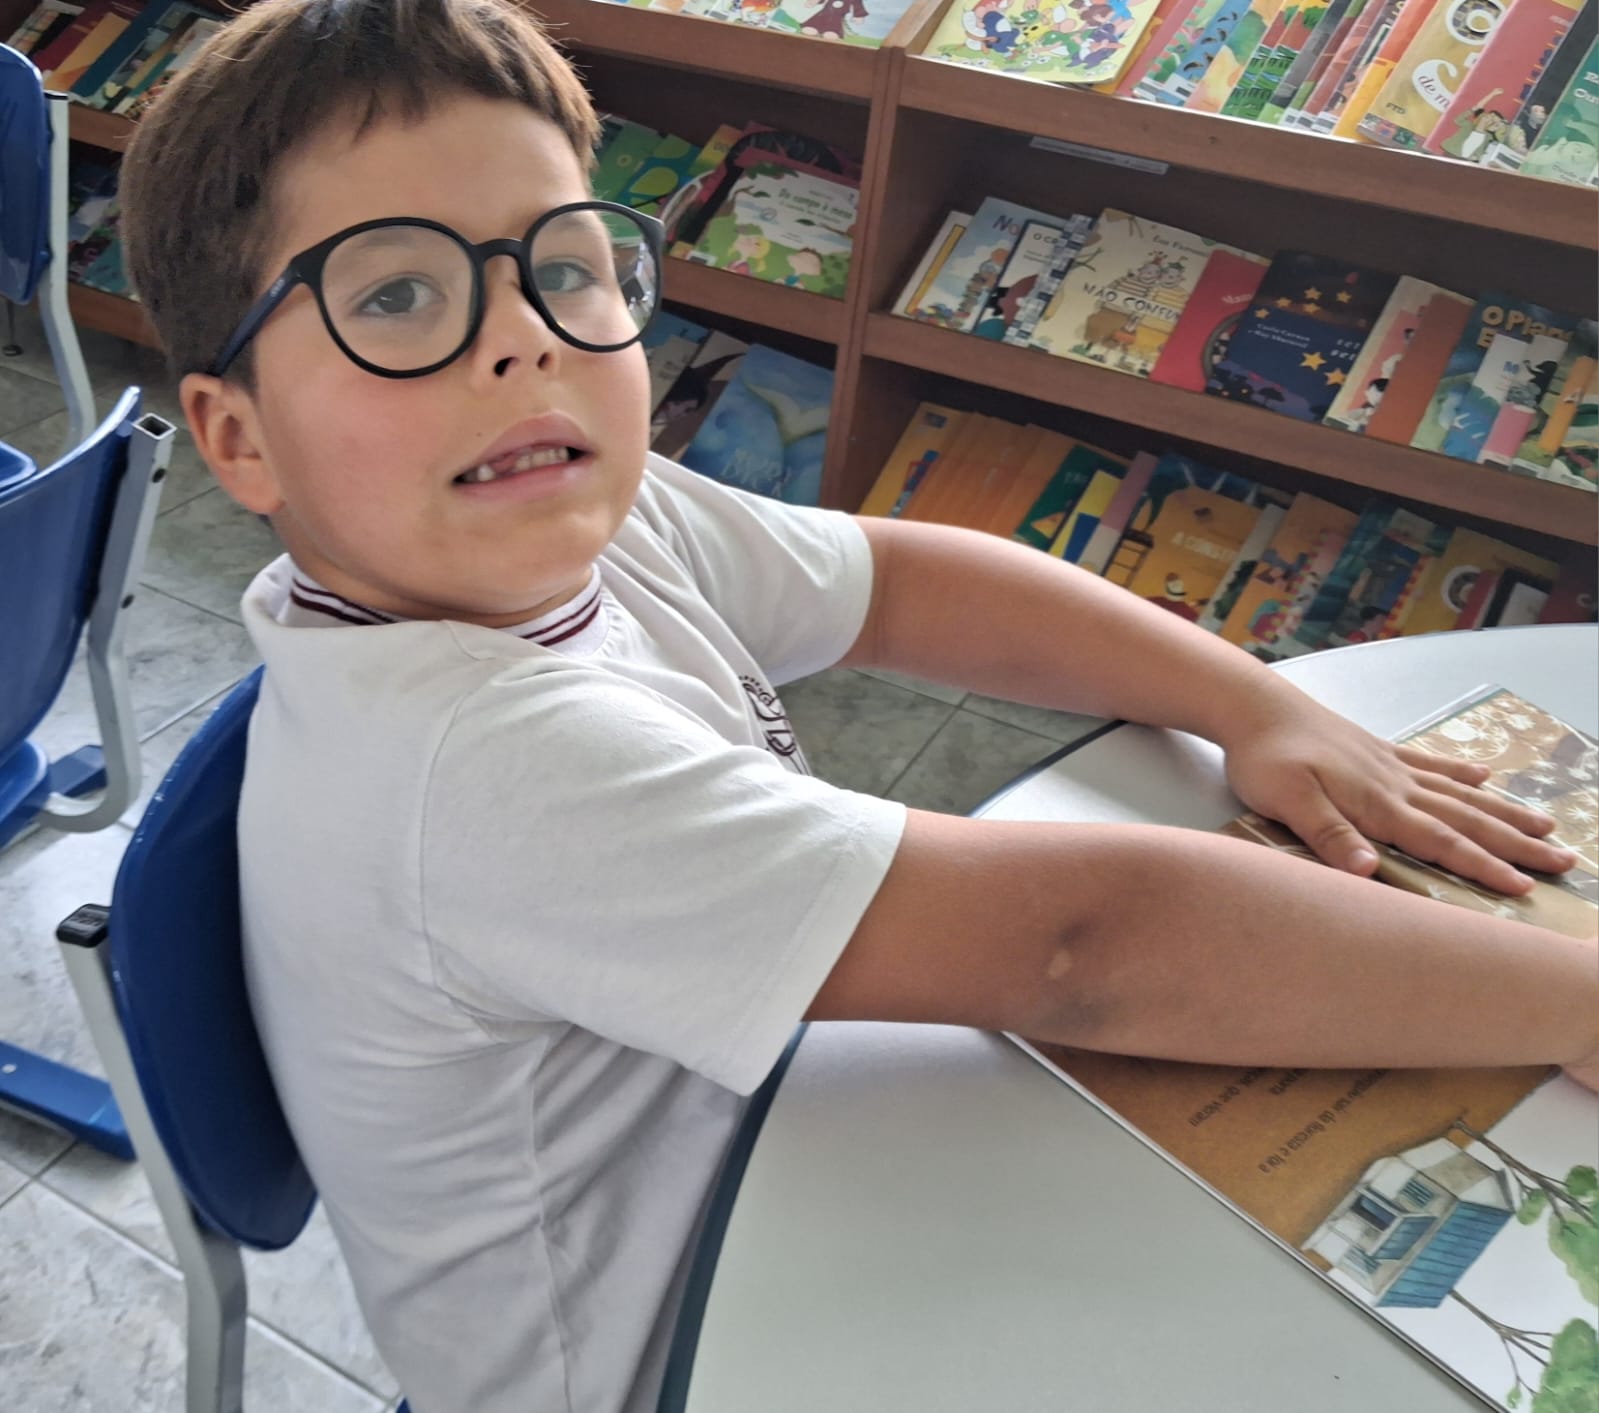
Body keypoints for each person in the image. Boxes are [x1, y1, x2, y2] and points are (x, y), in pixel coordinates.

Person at [116, 0, 1597, 1409]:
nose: (524, 340)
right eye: (394, 295)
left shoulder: (573, 516)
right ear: (240, 442)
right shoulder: (467, 763)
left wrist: (1249, 701)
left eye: (561, 267)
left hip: (794, 1165)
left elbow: (900, 583)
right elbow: (1082, 944)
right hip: (670, 1364)